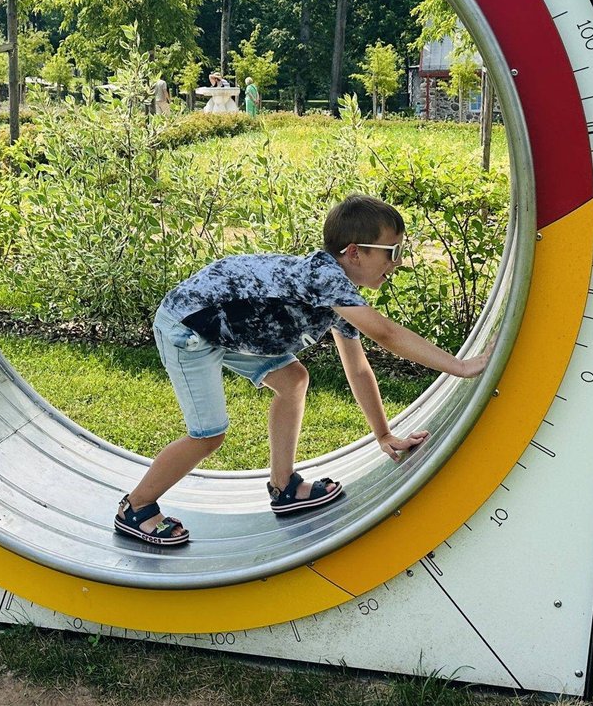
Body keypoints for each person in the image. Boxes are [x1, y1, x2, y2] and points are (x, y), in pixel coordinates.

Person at [113, 194, 489, 546]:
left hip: (227, 327)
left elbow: (357, 369)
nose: (399, 261)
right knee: (208, 435)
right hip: (189, 326)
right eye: (393, 251)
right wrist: (459, 366)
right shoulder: (323, 278)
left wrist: (384, 435)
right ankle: (136, 507)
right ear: (354, 253)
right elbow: (385, 333)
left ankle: (284, 487)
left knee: (293, 379)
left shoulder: (340, 297)